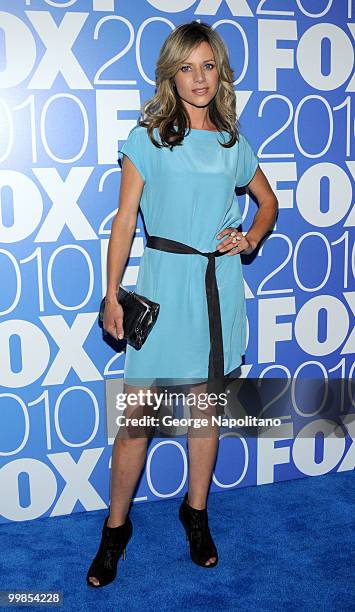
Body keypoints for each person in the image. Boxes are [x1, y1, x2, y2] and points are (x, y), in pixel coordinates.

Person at [86, 20, 278, 588]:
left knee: (205, 414)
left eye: (209, 65)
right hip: (164, 290)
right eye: (188, 66)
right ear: (171, 73)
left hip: (219, 291)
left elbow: (267, 205)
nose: (199, 77)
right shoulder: (146, 138)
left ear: (221, 74)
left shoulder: (232, 143)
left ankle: (196, 514)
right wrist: (110, 294)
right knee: (138, 421)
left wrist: (250, 237)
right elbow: (124, 222)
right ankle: (115, 528)